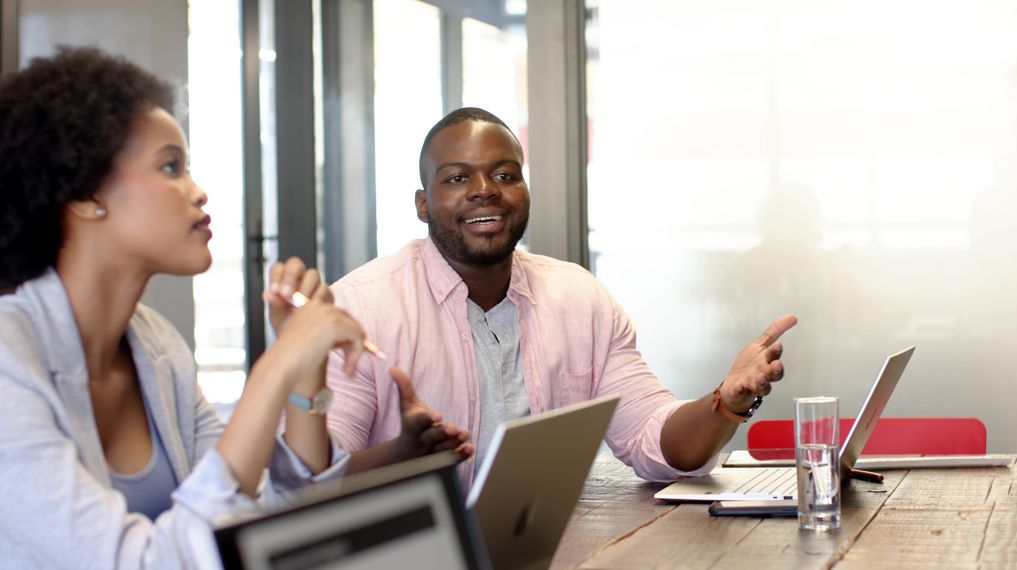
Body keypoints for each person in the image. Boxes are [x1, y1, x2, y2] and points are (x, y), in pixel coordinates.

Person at [0, 47, 457, 568]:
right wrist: (276, 366)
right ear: (85, 194)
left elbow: (266, 520)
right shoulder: (9, 363)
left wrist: (305, 375)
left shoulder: (156, 346)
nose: (198, 192)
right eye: (170, 167)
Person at [326, 107, 796, 490]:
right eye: (456, 179)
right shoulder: (359, 309)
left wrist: (725, 401)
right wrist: (402, 456)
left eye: (505, 174)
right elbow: (312, 482)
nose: (485, 190)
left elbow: (651, 436)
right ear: (422, 204)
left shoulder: (578, 299)